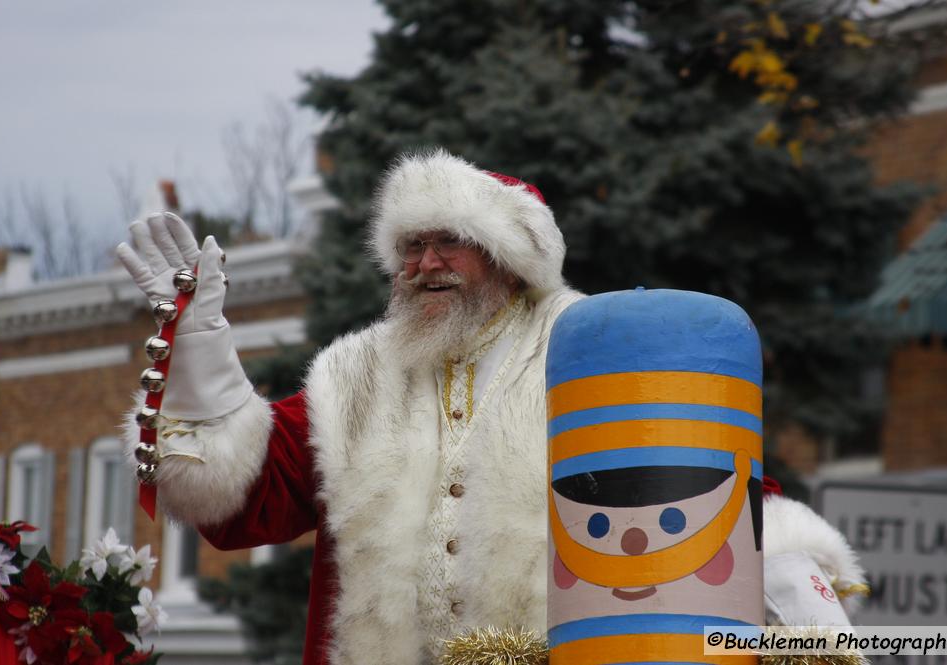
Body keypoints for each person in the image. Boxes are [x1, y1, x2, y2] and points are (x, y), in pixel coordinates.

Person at [117, 150, 866, 665]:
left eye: (451, 241)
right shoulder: (354, 374)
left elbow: (699, 476)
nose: (425, 263)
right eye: (410, 245)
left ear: (510, 257)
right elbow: (244, 498)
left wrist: (793, 573)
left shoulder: (591, 347)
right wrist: (201, 345)